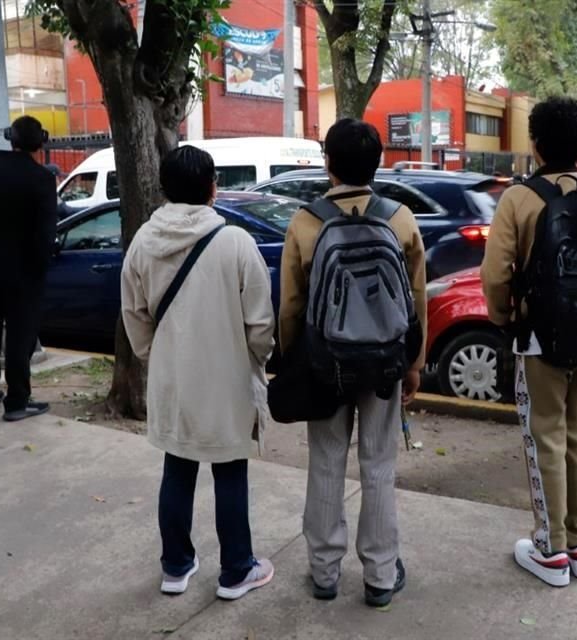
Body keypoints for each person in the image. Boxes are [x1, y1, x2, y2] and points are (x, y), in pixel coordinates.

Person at [278, 118, 427, 607]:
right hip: (385, 362)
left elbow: (292, 306)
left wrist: (291, 359)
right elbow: (416, 302)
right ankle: (381, 574)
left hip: (326, 362)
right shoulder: (400, 219)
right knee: (379, 464)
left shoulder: (306, 222)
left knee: (325, 462)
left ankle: (324, 572)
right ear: (378, 162)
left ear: (328, 164)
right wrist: (413, 364)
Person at [481, 97, 577, 588]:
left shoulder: (520, 200)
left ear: (537, 143)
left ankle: (550, 548)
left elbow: (496, 275)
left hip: (541, 338)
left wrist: (505, 319)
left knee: (545, 435)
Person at [121, 145, 276, 601]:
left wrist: (158, 355)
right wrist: (256, 360)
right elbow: (261, 323)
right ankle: (236, 570)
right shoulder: (235, 243)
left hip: (173, 380)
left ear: (165, 188)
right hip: (227, 380)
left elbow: (134, 315)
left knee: (177, 466)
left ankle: (175, 567)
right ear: (212, 188)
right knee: (230, 470)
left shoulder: (142, 243)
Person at [0, 115, 58, 421]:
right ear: (40, 141)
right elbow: (46, 234)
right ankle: (18, 401)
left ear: (10, 138)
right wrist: (39, 269)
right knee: (20, 335)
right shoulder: (42, 179)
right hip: (24, 273)